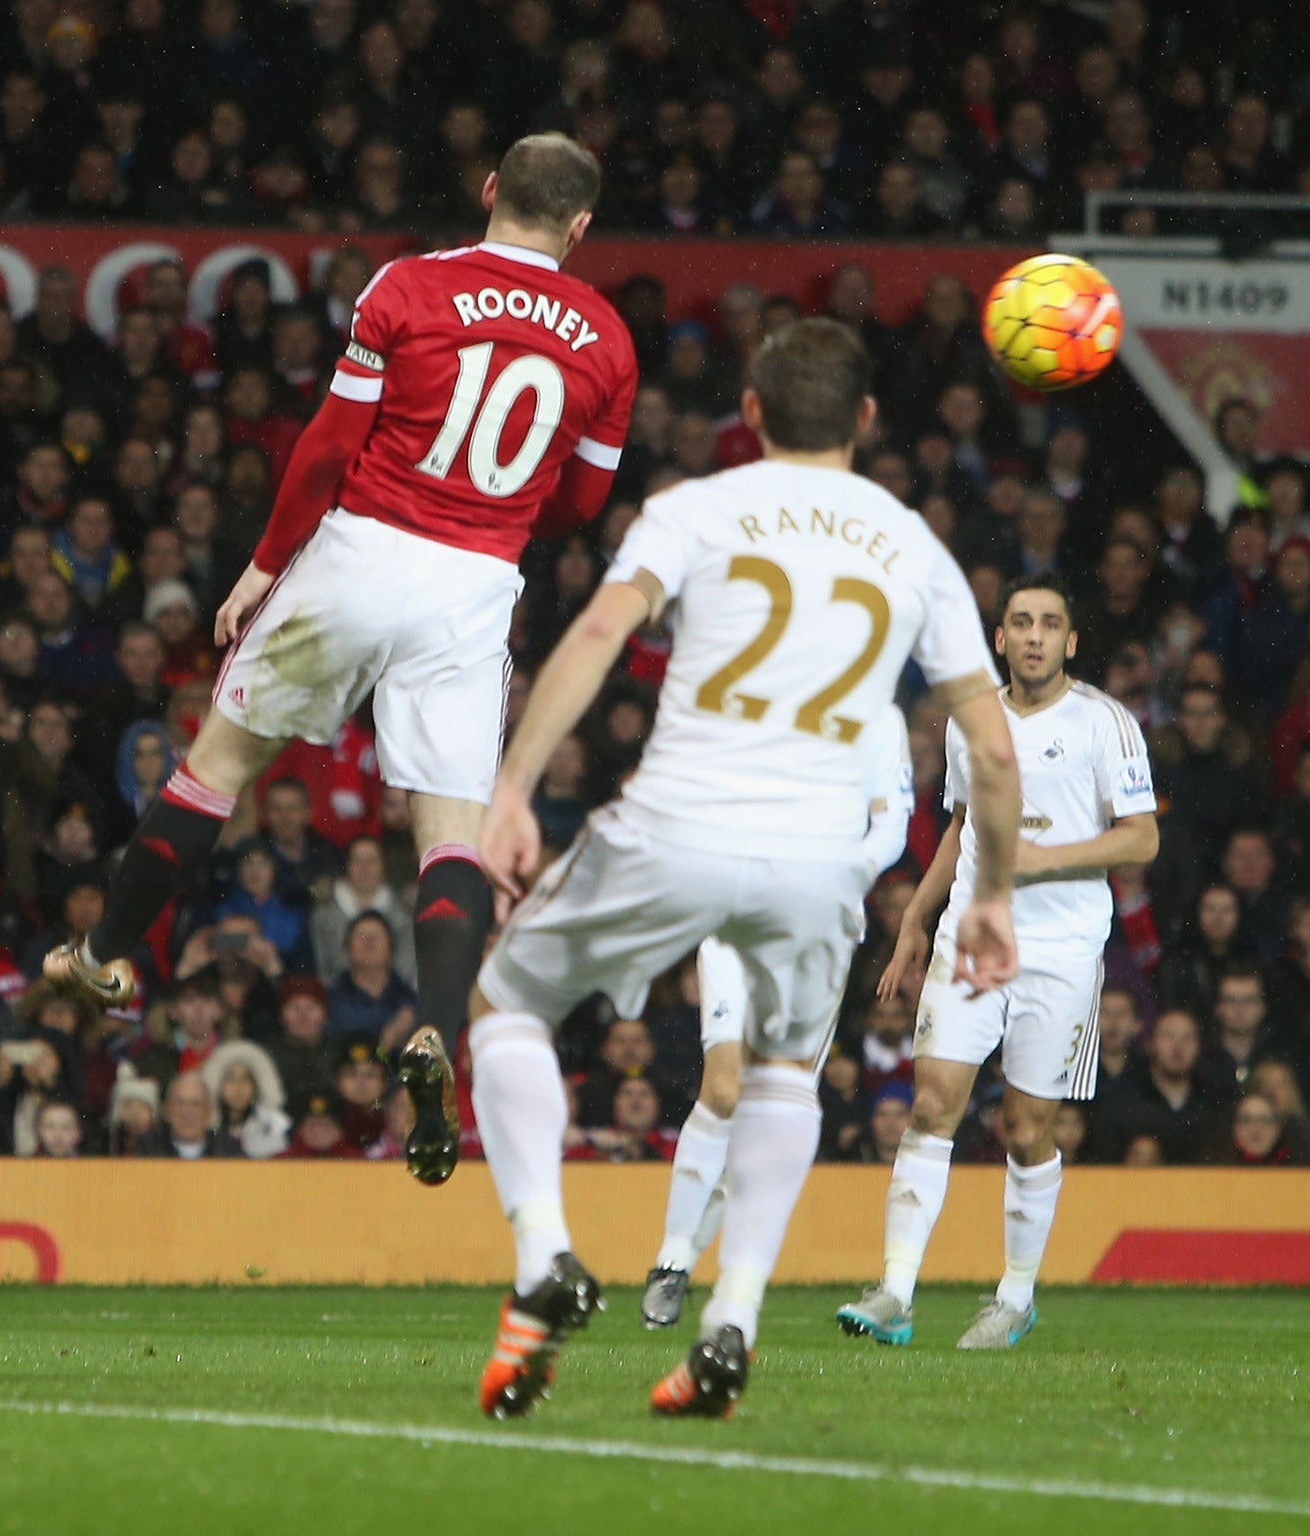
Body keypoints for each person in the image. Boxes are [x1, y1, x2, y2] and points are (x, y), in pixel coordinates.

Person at [43, 133, 637, 1193]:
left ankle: (101, 960)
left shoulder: (408, 287)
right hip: (472, 583)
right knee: (448, 834)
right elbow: (585, 505)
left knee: (217, 767)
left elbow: (325, 442)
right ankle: (435, 1031)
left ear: (490, 189)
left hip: (362, 549)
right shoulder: (605, 337)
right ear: (581, 228)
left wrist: (263, 565)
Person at [463, 318, 1019, 1421]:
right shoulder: (912, 545)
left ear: (750, 414)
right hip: (820, 865)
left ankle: (542, 1257)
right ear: (864, 419)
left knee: (502, 1003)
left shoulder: (693, 509)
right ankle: (734, 1321)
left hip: (677, 824)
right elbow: (991, 747)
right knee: (778, 1076)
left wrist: (513, 785)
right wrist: (989, 894)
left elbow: (592, 641)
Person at [837, 575, 1158, 1352]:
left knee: (1024, 1129)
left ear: (1071, 641)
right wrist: (916, 916)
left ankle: (1014, 1296)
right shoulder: (968, 722)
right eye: (1022, 622)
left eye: (1051, 623)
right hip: (972, 935)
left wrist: (1048, 860)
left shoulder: (1106, 724)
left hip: (1064, 950)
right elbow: (960, 826)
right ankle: (896, 1291)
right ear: (1000, 639)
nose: (1036, 635)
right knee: (933, 1102)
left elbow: (1142, 837)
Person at [639, 704, 912, 1328]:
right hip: (738, 912)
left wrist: (839, 876)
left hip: (820, 927)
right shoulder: (750, 693)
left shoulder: (880, 716)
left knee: (767, 1114)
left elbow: (891, 821)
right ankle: (673, 1262)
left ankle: (712, 1268)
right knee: (726, 1086)